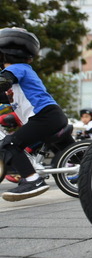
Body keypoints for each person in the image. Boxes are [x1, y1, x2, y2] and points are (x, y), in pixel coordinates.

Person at [0, 28, 75, 201]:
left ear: (4, 54)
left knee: (10, 143)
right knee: (74, 154)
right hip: (51, 117)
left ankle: (33, 180)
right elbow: (4, 94)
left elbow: (3, 83)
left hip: (44, 117)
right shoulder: (20, 74)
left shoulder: (17, 69)